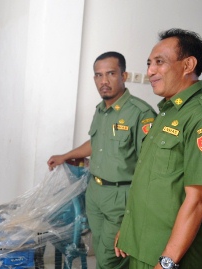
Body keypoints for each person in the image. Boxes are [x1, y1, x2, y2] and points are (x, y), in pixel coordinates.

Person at [114, 28, 202, 269]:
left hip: (169, 256)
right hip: (141, 243)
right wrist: (128, 230)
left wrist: (167, 262)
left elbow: (199, 200)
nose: (150, 71)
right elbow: (151, 181)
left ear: (188, 65)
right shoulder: (167, 111)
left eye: (159, 62)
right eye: (149, 63)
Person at [47, 51, 157, 269]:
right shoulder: (101, 110)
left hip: (121, 198)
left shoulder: (141, 114)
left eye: (110, 74)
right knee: (101, 252)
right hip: (95, 193)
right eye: (98, 75)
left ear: (123, 75)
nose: (103, 81)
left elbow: (150, 169)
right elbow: (95, 143)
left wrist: (134, 215)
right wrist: (66, 156)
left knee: (110, 258)